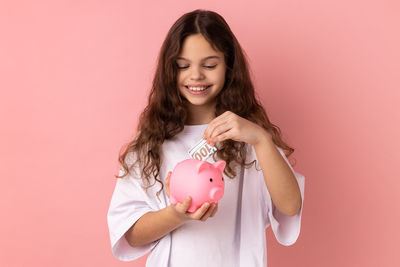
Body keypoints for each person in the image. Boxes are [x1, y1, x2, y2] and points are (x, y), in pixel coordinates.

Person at [107, 9, 305, 267]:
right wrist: (176, 215)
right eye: (183, 66)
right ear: (170, 70)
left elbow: (290, 206)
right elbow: (130, 234)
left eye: (210, 65)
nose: (196, 75)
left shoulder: (249, 137)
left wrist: (261, 139)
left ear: (229, 66)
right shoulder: (150, 145)